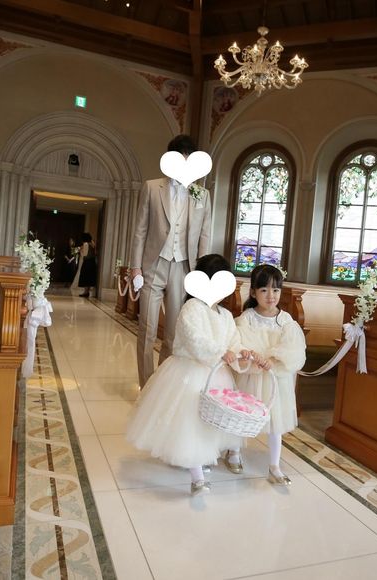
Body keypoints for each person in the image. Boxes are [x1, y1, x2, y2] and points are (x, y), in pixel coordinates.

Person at [125, 254, 243, 495]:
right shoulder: (191, 308)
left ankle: (204, 454)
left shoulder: (226, 315)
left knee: (210, 417)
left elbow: (234, 339)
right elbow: (193, 338)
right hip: (189, 370)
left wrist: (238, 352)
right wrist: (220, 352)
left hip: (217, 373)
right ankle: (196, 474)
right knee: (189, 417)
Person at [130, 134, 212, 387]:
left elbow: (205, 236)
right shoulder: (152, 187)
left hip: (184, 268)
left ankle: (161, 386)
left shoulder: (202, 195)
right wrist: (135, 268)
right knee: (147, 328)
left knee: (174, 334)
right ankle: (145, 384)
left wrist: (202, 273)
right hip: (153, 265)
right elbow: (140, 230)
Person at [224, 264, 306, 486]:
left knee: (275, 420)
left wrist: (273, 360)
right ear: (253, 292)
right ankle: (234, 451)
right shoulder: (247, 318)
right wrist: (252, 355)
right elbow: (239, 342)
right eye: (264, 290)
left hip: (275, 379)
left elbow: (293, 349)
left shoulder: (285, 320)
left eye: (276, 290)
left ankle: (274, 465)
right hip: (250, 376)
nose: (271, 296)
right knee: (243, 414)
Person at [78, 232, 97, 298]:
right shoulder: (92, 243)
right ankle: (87, 291)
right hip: (92, 262)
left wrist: (80, 250)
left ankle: (85, 292)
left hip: (87, 262)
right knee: (89, 277)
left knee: (85, 276)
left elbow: (85, 255)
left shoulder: (86, 244)